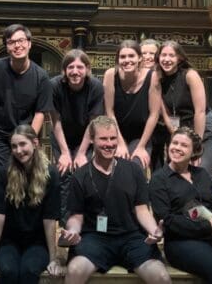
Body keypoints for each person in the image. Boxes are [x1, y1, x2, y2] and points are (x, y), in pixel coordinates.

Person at [60, 116, 170, 284]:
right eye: (103, 139)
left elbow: (142, 210)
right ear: (91, 140)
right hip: (95, 237)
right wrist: (73, 231)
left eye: (113, 138)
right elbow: (76, 216)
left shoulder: (134, 170)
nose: (109, 144)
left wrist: (154, 230)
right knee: (74, 271)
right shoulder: (80, 176)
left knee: (161, 276)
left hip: (131, 236)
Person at [149, 127, 212, 283]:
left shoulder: (201, 174)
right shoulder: (159, 179)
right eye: (174, 143)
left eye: (184, 145)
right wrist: (205, 228)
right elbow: (167, 221)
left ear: (194, 152)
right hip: (181, 240)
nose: (177, 148)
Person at [0, 125, 64, 283]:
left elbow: (50, 219)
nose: (18, 150)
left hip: (37, 242)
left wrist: (54, 258)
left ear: (35, 143)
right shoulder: (5, 172)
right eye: (14, 146)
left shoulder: (51, 173)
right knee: (8, 270)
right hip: (9, 240)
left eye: (23, 144)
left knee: (29, 270)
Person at [0, 24, 53, 175]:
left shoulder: (41, 77)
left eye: (21, 40)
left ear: (29, 43)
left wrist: (29, 140)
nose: (17, 45)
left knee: (24, 176)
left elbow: (40, 113)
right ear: (6, 47)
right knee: (3, 176)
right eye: (11, 42)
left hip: (24, 135)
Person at [158, 40, 212, 184]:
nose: (166, 59)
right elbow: (167, 112)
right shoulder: (159, 80)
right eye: (163, 55)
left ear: (180, 58)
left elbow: (200, 111)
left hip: (207, 131)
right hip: (185, 133)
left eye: (171, 55)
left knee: (201, 179)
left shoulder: (190, 75)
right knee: (178, 181)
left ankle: (204, 206)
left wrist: (196, 147)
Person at [50, 49, 104, 222]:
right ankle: (66, 222)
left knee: (84, 172)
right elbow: (55, 121)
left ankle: (86, 218)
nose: (75, 71)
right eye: (70, 67)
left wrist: (81, 153)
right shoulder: (55, 85)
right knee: (64, 174)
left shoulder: (95, 86)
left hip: (86, 136)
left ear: (87, 69)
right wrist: (65, 153)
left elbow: (93, 122)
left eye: (80, 67)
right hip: (62, 137)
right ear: (64, 70)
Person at [102, 40, 161, 169]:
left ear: (140, 58)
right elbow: (109, 112)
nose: (127, 60)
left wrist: (141, 146)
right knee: (115, 167)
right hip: (116, 133)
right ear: (118, 60)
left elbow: (154, 114)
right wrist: (120, 143)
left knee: (135, 166)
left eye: (131, 56)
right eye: (122, 57)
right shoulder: (111, 75)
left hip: (141, 136)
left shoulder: (152, 76)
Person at [141, 38, 168, 172]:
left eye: (151, 53)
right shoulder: (136, 76)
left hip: (167, 125)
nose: (147, 57)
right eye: (143, 53)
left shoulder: (164, 74)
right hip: (146, 126)